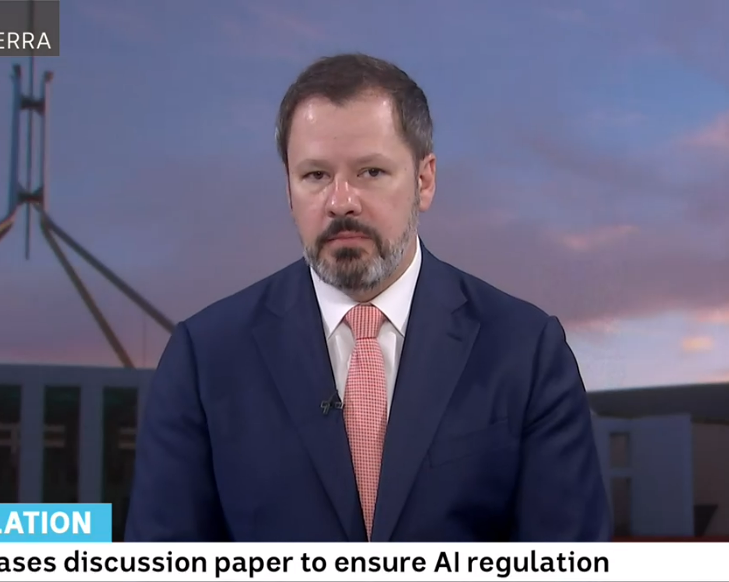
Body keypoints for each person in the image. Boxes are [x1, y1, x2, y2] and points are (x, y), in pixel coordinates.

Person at [125, 53, 611, 542]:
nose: (341, 201)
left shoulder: (525, 352)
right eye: (315, 175)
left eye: (371, 172)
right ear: (289, 191)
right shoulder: (205, 358)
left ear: (424, 181)